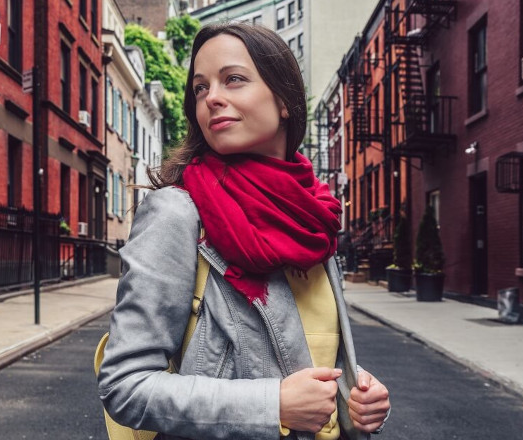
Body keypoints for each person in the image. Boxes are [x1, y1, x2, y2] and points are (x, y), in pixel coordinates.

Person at [98, 22, 391, 440]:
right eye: (201, 88)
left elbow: (299, 350)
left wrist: (358, 392)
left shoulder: (313, 217)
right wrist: (273, 405)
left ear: (284, 99)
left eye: (233, 79)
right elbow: (125, 385)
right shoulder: (177, 213)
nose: (212, 97)